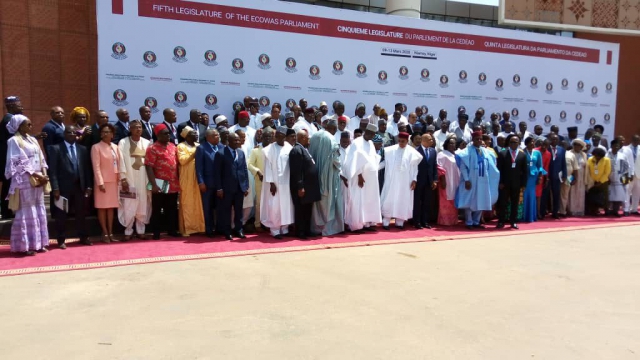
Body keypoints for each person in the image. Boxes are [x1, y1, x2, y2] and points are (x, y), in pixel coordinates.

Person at [5, 115, 50, 255]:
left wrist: (44, 173)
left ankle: (39, 243)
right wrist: (36, 175)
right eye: (28, 124)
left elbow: (41, 157)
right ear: (19, 126)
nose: (31, 127)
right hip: (24, 180)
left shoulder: (32, 139)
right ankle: (24, 246)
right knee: (26, 210)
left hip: (39, 179)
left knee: (38, 209)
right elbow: (19, 161)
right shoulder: (13, 141)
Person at [49, 125, 93, 248]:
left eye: (74, 133)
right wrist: (55, 188)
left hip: (80, 187)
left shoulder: (83, 149)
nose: (72, 134)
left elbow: (87, 169)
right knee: (61, 214)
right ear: (64, 134)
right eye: (69, 132)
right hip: (63, 189)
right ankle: (61, 239)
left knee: (81, 213)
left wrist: (89, 186)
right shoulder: (56, 149)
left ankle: (83, 237)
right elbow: (52, 171)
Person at [456, 130, 500, 229]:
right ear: (473, 140)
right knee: (470, 201)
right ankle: (469, 222)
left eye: (480, 139)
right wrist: (466, 180)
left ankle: (476, 221)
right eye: (477, 139)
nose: (479, 141)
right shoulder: (467, 151)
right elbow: (463, 167)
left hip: (483, 180)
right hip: (471, 180)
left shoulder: (485, 151)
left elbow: (492, 164)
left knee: (482, 200)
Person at [343, 123, 382, 232]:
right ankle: (356, 225)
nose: (370, 135)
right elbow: (353, 160)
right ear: (365, 131)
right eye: (369, 133)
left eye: (373, 134)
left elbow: (372, 159)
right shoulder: (356, 142)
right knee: (357, 200)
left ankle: (367, 223)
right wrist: (359, 175)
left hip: (370, 179)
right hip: (358, 178)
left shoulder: (370, 143)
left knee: (368, 200)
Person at [379, 132, 422, 230]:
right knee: (389, 198)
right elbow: (385, 163)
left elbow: (414, 167)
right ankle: (386, 221)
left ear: (407, 141)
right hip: (392, 179)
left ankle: (400, 222)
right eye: (399, 141)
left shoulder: (412, 152)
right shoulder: (390, 150)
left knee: (402, 199)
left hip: (405, 180)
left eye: (403, 141)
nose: (401, 143)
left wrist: (414, 180)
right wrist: (374, 168)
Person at [117, 120, 151, 241]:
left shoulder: (147, 143)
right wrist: (123, 178)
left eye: (140, 127)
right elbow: (120, 161)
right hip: (129, 177)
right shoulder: (123, 142)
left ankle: (141, 231)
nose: (138, 129)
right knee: (129, 203)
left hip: (143, 178)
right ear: (130, 129)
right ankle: (128, 231)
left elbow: (150, 162)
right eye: (135, 127)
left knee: (143, 203)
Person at [145, 124, 181, 239]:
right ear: (158, 135)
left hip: (173, 182)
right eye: (165, 133)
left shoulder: (172, 146)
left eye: (168, 133)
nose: (168, 135)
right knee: (157, 208)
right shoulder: (152, 148)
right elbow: (149, 167)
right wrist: (154, 184)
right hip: (159, 182)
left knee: (171, 208)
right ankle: (156, 232)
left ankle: (171, 230)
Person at [310, 120, 344, 236]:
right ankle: (327, 228)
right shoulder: (331, 139)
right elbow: (336, 161)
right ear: (334, 129)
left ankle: (316, 227)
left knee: (316, 203)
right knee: (329, 202)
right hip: (328, 176)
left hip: (314, 175)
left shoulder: (314, 136)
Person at [260, 127, 294, 239]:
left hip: (287, 183)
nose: (279, 137)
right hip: (274, 183)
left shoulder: (289, 147)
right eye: (277, 135)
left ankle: (284, 228)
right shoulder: (269, 149)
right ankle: (275, 230)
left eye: (282, 135)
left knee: (286, 206)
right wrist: (271, 183)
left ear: (285, 137)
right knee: (275, 206)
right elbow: (267, 167)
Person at [215, 132, 250, 239]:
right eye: (235, 140)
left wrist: (246, 185)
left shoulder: (241, 152)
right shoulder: (220, 153)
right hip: (226, 189)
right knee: (226, 211)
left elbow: (244, 169)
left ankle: (239, 230)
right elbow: (217, 173)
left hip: (239, 187)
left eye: (238, 140)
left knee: (239, 210)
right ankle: (227, 231)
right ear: (228, 141)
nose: (237, 142)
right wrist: (219, 188)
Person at [91, 123, 121, 243]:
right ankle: (104, 232)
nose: (105, 134)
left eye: (107, 132)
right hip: (103, 182)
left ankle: (111, 232)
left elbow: (118, 164)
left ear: (112, 134)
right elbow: (96, 166)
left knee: (111, 208)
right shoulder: (96, 147)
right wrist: (100, 182)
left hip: (114, 181)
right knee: (102, 208)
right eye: (103, 132)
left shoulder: (115, 146)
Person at [289, 129, 321, 238]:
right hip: (302, 187)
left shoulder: (304, 149)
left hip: (309, 187)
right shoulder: (297, 150)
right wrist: (300, 186)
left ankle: (307, 230)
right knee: (301, 210)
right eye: (308, 138)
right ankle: (300, 232)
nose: (309, 141)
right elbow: (297, 171)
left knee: (307, 210)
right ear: (302, 138)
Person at [177, 127, 205, 236]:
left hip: (199, 177)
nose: (196, 135)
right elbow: (182, 161)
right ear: (187, 136)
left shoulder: (199, 145)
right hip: (186, 177)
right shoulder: (181, 146)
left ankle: (199, 227)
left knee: (198, 202)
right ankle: (187, 229)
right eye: (193, 133)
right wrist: (195, 153)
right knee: (187, 202)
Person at [496, 135, 528, 229]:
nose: (513, 144)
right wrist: (500, 182)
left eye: (516, 142)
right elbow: (499, 169)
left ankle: (513, 221)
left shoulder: (522, 155)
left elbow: (525, 171)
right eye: (512, 142)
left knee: (515, 203)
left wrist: (523, 184)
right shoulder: (503, 153)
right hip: (504, 184)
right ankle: (501, 221)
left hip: (516, 184)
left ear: (519, 143)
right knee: (503, 203)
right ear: (509, 143)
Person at [196, 128, 222, 237]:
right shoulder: (202, 148)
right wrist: (201, 182)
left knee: (220, 207)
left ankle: (220, 228)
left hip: (220, 184)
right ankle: (209, 229)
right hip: (207, 184)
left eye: (218, 135)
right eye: (215, 135)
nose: (218, 137)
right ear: (208, 137)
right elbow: (199, 168)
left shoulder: (222, 147)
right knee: (208, 208)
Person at [1, 96, 24, 219]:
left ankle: (7, 210)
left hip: (10, 159)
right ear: (10, 106)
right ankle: (6, 211)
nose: (21, 107)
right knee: (8, 184)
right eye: (18, 105)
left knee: (9, 184)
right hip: (8, 160)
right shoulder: (9, 120)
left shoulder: (11, 118)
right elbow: (16, 139)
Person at [248, 127, 273, 231]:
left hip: (273, 182)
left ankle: (270, 223)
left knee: (272, 203)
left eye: (269, 136)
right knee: (259, 203)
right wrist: (257, 171)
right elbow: (249, 164)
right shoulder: (255, 150)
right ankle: (258, 224)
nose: (267, 138)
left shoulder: (274, 149)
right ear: (261, 138)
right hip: (260, 181)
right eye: (265, 136)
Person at [413, 133, 438, 229]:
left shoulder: (433, 151)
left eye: (431, 139)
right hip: (419, 181)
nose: (431, 141)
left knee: (426, 202)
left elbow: (434, 166)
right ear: (423, 141)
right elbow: (413, 167)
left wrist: (435, 180)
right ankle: (417, 222)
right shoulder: (416, 151)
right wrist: (414, 180)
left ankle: (425, 221)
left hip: (429, 181)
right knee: (417, 202)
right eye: (429, 140)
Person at [436, 136, 460, 226]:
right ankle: (444, 221)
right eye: (450, 143)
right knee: (446, 201)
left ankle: (453, 220)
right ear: (446, 144)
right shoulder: (442, 154)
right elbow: (439, 167)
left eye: (453, 143)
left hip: (455, 181)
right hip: (446, 181)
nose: (452, 145)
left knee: (454, 200)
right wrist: (442, 180)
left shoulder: (456, 154)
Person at [522, 137, 545, 222]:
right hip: (524, 177)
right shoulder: (522, 152)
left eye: (533, 142)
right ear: (526, 143)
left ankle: (531, 216)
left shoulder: (537, 153)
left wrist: (540, 177)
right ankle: (523, 216)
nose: (532, 143)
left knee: (532, 196)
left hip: (533, 177)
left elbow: (540, 166)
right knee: (524, 196)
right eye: (530, 142)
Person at [606, 139, 630, 216]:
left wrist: (626, 177)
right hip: (608, 177)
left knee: (618, 196)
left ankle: (615, 211)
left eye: (618, 146)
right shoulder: (607, 155)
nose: (616, 147)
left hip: (619, 177)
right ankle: (608, 211)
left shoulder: (622, 156)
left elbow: (626, 167)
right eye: (615, 145)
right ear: (611, 146)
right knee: (609, 196)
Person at [586, 148, 611, 216]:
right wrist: (592, 180)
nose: (597, 157)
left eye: (599, 156)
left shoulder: (606, 160)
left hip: (603, 182)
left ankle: (606, 209)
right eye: (596, 156)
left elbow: (607, 172)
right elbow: (588, 170)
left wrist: (600, 181)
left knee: (605, 196)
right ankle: (594, 210)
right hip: (592, 181)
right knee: (593, 196)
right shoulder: (590, 159)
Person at [548, 133, 568, 219]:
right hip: (548, 176)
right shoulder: (547, 148)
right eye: (553, 139)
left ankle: (555, 213)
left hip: (557, 176)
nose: (554, 141)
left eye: (556, 139)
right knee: (546, 195)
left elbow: (564, 163)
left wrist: (564, 175)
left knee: (556, 195)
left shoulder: (561, 150)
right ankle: (542, 212)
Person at [568, 139, 587, 217]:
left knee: (580, 193)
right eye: (575, 145)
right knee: (572, 192)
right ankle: (571, 210)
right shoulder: (569, 153)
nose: (577, 146)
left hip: (581, 176)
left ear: (581, 147)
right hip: (572, 175)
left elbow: (585, 165)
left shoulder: (584, 155)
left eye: (579, 145)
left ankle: (579, 210)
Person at [560, 140, 579, 217]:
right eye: (562, 145)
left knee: (565, 194)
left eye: (564, 145)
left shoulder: (571, 155)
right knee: (555, 195)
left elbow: (575, 168)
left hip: (568, 177)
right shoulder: (556, 152)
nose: (563, 146)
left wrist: (575, 179)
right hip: (556, 178)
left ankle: (563, 211)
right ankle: (555, 210)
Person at [622, 135, 640, 214]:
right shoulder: (625, 148)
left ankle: (634, 209)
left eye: (638, 140)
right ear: (631, 139)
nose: (636, 141)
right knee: (627, 191)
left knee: (637, 193)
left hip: (639, 174)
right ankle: (626, 209)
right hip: (628, 173)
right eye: (635, 140)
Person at [535, 137, 551, 219]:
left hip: (540, 177)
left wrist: (546, 178)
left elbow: (546, 167)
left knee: (538, 196)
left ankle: (538, 212)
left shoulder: (548, 154)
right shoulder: (535, 150)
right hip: (532, 175)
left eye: (546, 145)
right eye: (543, 144)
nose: (544, 147)